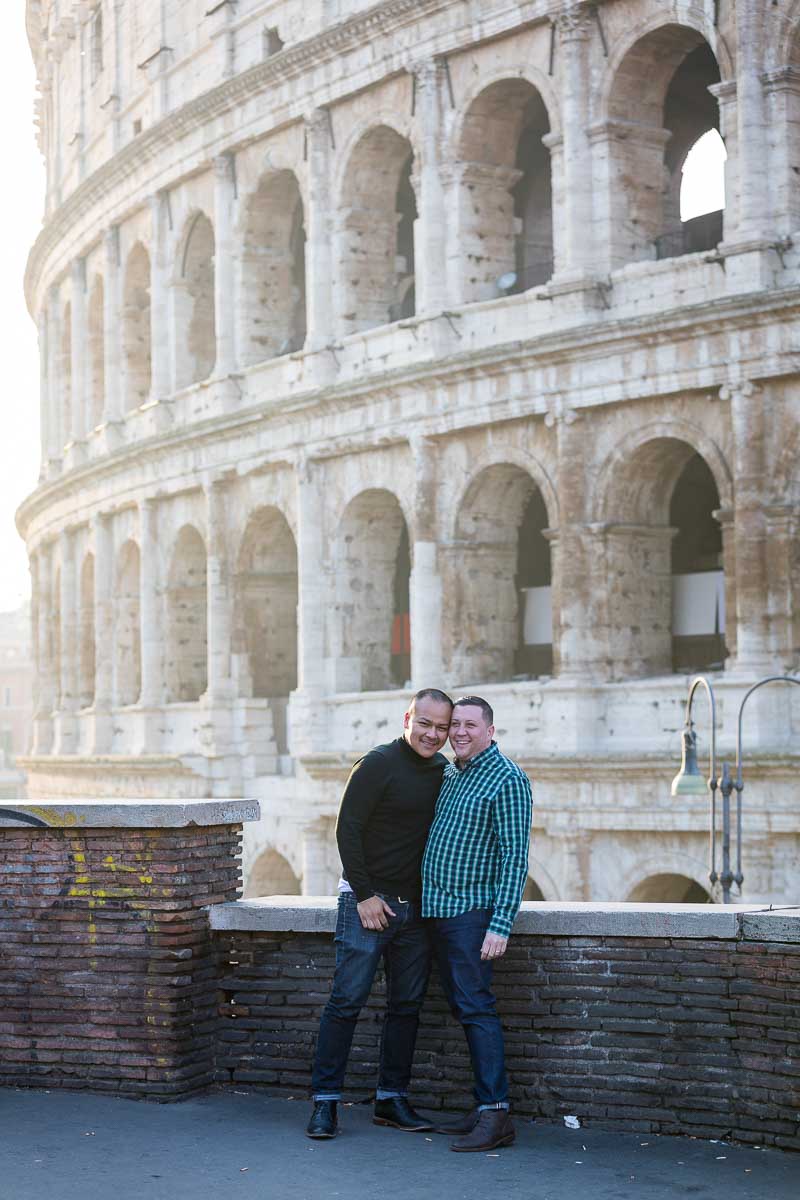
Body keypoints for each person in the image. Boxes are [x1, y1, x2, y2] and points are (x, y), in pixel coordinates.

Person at [306, 688, 454, 1139]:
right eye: (424, 723)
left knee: (406, 1006)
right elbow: (346, 829)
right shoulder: (376, 764)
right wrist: (367, 895)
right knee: (347, 1001)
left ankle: (391, 1101)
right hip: (367, 903)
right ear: (408, 718)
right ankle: (325, 1104)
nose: (432, 734)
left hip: (417, 911)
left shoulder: (444, 771)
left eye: (441, 728)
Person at [422, 695, 532, 1153]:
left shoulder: (507, 778)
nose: (460, 733)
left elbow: (514, 858)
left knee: (477, 1010)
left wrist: (501, 924)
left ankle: (496, 1114)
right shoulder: (452, 772)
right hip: (439, 912)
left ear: (490, 729)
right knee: (464, 1010)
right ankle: (484, 1107)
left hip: (472, 916)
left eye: (470, 725)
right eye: (455, 726)